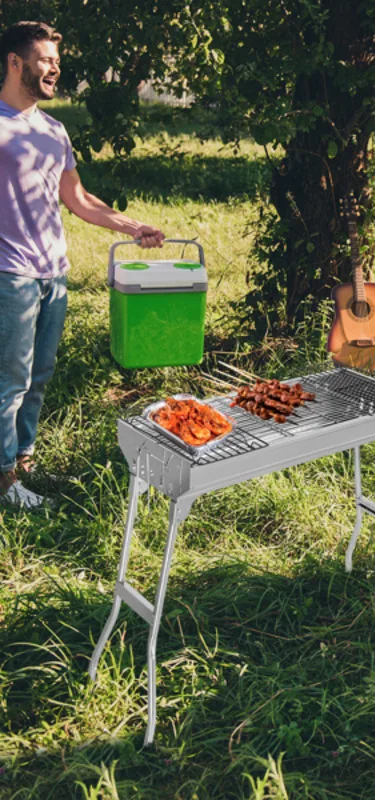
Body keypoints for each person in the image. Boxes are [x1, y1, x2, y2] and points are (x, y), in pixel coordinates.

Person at [0, 21, 165, 509]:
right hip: (10, 273)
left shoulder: (53, 130)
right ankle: (5, 481)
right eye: (46, 60)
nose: (55, 68)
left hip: (54, 272)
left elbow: (78, 198)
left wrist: (133, 227)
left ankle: (21, 457)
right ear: (15, 62)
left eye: (56, 61)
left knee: (40, 373)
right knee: (10, 378)